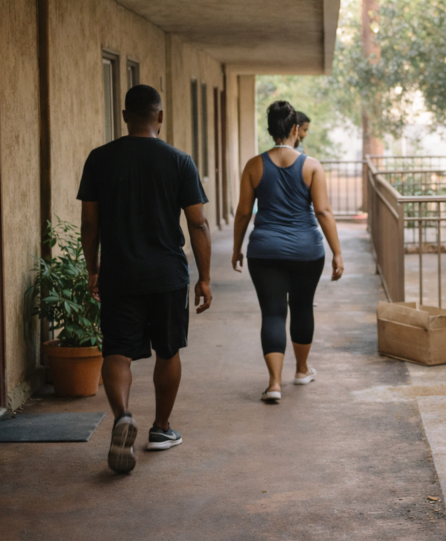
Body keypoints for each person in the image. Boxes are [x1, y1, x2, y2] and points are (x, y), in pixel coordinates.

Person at [79, 84, 213, 475]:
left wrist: (93, 268)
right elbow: (198, 223)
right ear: (160, 117)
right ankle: (161, 429)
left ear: (124, 117)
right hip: (168, 274)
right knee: (168, 351)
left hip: (120, 273)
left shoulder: (100, 159)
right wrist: (204, 278)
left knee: (117, 352)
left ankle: (123, 416)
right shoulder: (179, 161)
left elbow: (90, 222)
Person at [232, 101, 343, 401]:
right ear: (296, 129)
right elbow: (323, 211)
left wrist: (236, 249)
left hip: (264, 251)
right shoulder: (311, 166)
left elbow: (243, 213)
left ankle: (274, 384)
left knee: (273, 312)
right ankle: (302, 370)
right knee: (302, 307)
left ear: (270, 130)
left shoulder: (254, 165)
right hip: (307, 251)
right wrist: (337, 252)